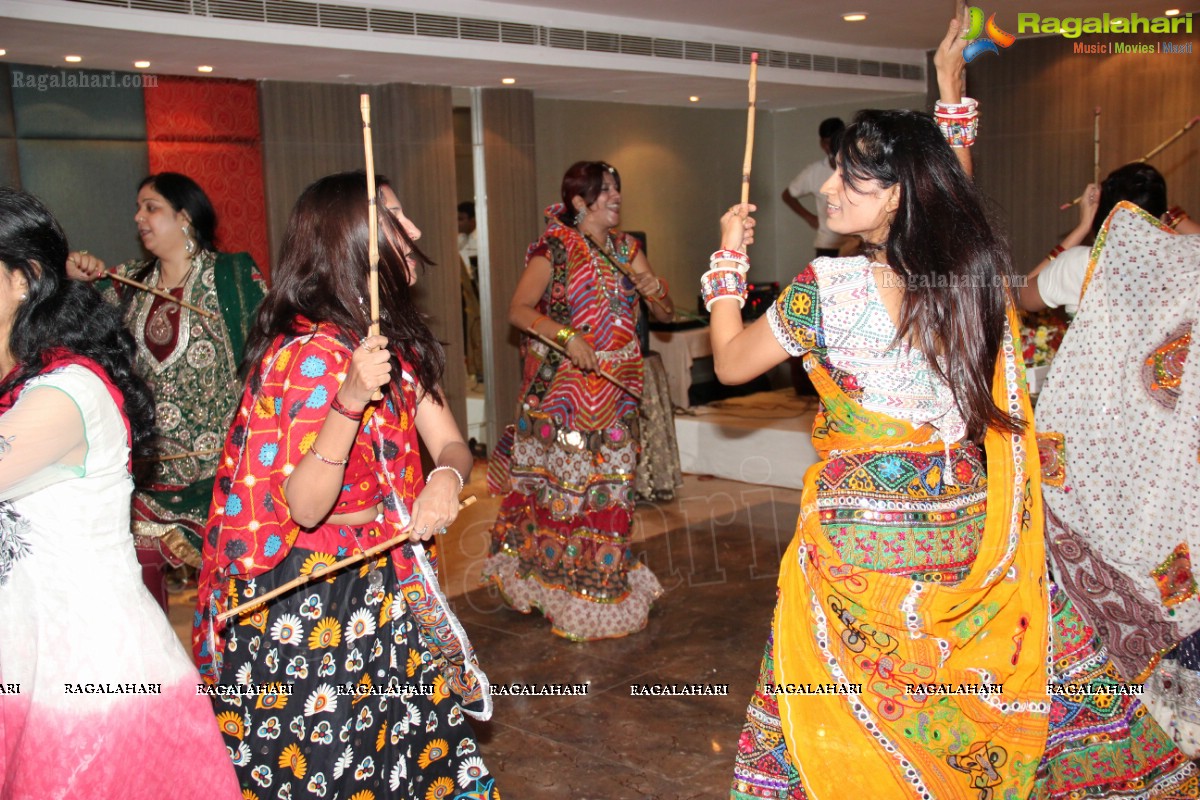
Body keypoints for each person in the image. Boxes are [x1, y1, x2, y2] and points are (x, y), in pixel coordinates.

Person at [717, 18, 1196, 800]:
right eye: (836, 173)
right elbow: (958, 201)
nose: (830, 191)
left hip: (861, 540)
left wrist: (725, 271)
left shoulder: (826, 291)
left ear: (900, 193)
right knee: (971, 684)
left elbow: (734, 362)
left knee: (861, 700)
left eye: (852, 180)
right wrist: (951, 99)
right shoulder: (964, 282)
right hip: (966, 524)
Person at [194, 171, 498, 799]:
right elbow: (306, 508)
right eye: (394, 220)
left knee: (410, 752)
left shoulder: (393, 342)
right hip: (314, 601)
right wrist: (350, 400)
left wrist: (443, 478)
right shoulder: (307, 357)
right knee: (331, 761)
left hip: (388, 581)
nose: (413, 232)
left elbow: (450, 443)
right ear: (349, 241)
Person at [0, 187, 240, 798]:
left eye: (152, 208)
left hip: (87, 675)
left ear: (24, 280)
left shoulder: (64, 393)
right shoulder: (23, 381)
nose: (138, 220)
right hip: (24, 654)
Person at [484, 160, 672, 640]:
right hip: (565, 395)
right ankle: (549, 580)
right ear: (579, 202)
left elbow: (665, 310)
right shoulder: (555, 248)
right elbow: (518, 311)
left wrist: (656, 292)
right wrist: (566, 336)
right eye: (604, 190)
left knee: (611, 490)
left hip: (618, 389)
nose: (615, 197)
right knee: (560, 494)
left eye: (617, 189)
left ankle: (597, 581)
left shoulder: (629, 249)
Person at [67, 172, 265, 610]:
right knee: (140, 603)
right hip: (150, 479)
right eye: (138, 208)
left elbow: (267, 360)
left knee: (233, 608)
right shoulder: (125, 283)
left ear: (185, 217)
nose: (138, 217)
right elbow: (65, 313)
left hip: (222, 476)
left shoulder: (231, 275)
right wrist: (75, 269)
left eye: (151, 207)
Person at [1019, 162, 1198, 315]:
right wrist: (1159, 205)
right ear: (1163, 217)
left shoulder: (1082, 264)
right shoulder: (1187, 262)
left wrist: (1081, 228)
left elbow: (1022, 293)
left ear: (1103, 215)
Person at [781, 117, 851, 259]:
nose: (829, 147)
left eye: (834, 142)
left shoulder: (858, 168)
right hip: (828, 244)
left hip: (855, 243)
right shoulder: (814, 171)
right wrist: (810, 218)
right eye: (826, 143)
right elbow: (788, 195)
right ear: (821, 143)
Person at [457, 200, 478, 273]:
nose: (457, 223)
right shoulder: (460, 237)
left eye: (460, 219)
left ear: (472, 221)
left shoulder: (479, 241)